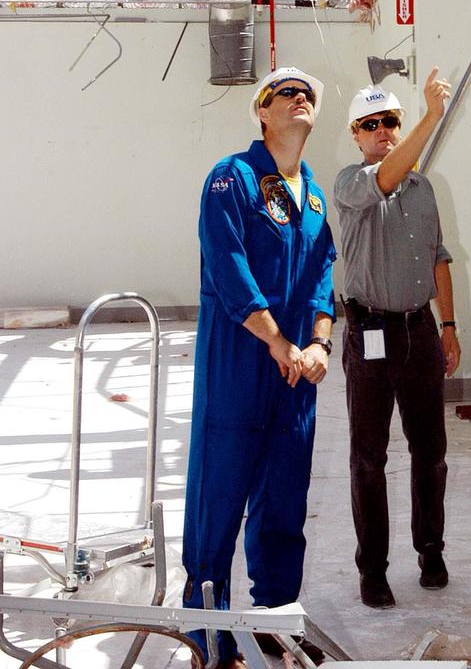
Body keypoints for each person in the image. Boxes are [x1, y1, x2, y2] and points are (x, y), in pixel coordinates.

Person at [182, 66, 336, 668]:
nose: (299, 99)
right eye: (285, 93)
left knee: (284, 500)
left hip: (296, 372)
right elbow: (228, 267)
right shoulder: (232, 178)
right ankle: (205, 634)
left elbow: (324, 275)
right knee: (219, 498)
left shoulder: (316, 196)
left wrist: (319, 342)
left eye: (307, 95)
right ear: (262, 113)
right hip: (241, 363)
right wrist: (276, 339)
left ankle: (275, 619)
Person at [333, 68, 461, 609]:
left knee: (431, 452)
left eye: (390, 121)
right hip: (369, 336)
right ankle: (374, 569)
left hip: (419, 333)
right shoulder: (349, 184)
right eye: (371, 124)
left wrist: (449, 326)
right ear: (356, 135)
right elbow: (385, 177)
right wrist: (433, 115)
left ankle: (430, 551)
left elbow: (438, 259)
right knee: (370, 458)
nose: (382, 130)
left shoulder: (425, 188)